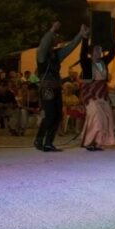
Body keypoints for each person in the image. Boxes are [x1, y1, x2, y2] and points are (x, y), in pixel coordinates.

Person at [34, 21, 87, 151]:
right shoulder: (42, 55)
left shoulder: (56, 55)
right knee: (50, 115)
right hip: (47, 88)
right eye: (54, 38)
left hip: (57, 88)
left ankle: (48, 142)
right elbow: (44, 44)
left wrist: (80, 35)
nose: (56, 39)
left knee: (58, 115)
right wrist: (52, 29)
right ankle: (39, 139)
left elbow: (70, 47)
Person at [78, 32, 115, 151]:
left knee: (106, 117)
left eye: (100, 50)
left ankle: (98, 142)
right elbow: (82, 53)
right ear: (91, 53)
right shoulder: (86, 63)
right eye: (97, 50)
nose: (99, 52)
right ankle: (89, 142)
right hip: (90, 93)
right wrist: (85, 38)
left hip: (102, 94)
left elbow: (112, 53)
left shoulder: (104, 62)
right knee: (97, 116)